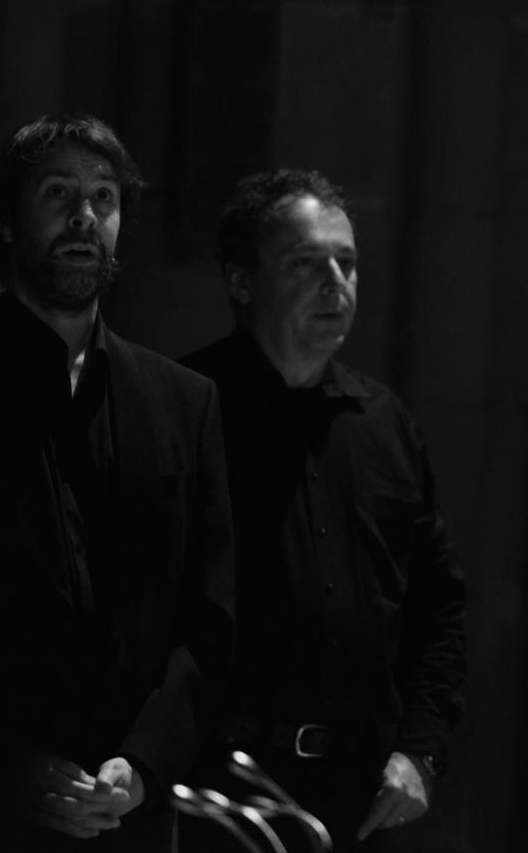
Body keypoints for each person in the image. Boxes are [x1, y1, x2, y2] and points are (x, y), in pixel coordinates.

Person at [0, 114, 234, 852]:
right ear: (7, 221)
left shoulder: (182, 401)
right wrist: (5, 764)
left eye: (104, 197)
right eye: (58, 193)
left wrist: (144, 764)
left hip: (128, 817)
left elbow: (209, 618)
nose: (85, 216)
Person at [180, 168, 466, 852]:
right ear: (241, 282)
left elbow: (438, 606)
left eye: (347, 262)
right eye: (306, 263)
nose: (336, 283)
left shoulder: (384, 422)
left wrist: (420, 751)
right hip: (219, 786)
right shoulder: (184, 409)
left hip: (357, 795)